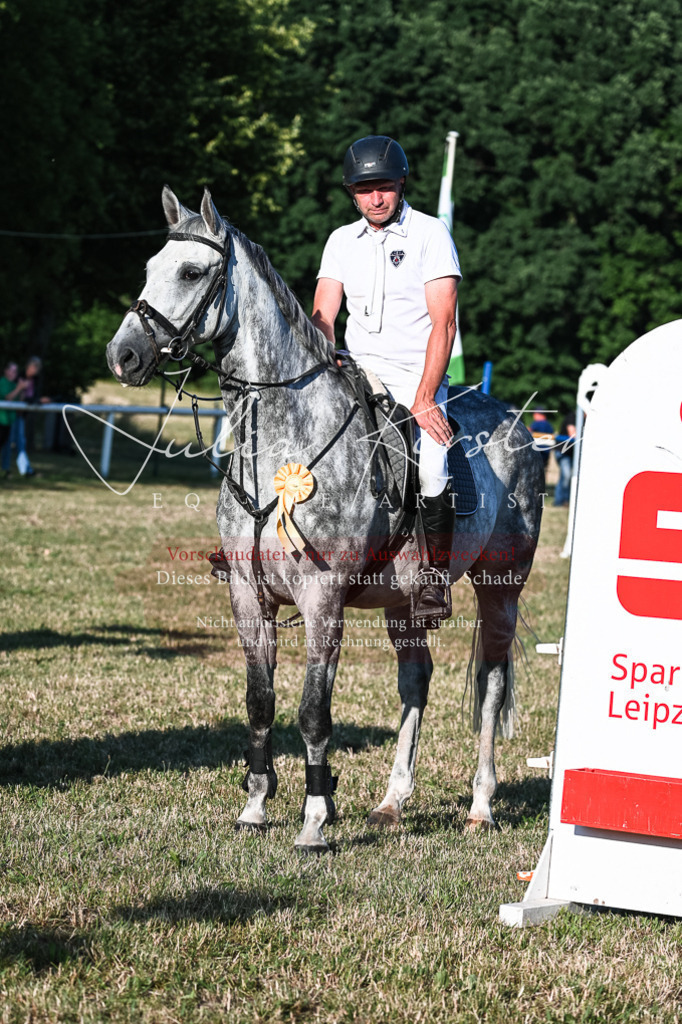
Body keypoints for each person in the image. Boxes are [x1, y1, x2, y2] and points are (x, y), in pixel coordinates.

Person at [312, 135, 461, 620]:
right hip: (355, 369)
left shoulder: (430, 233)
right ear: (351, 192)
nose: (375, 199)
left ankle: (435, 580)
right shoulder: (340, 240)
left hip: (416, 373)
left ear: (401, 183)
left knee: (433, 463)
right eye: (363, 189)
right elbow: (324, 315)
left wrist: (424, 396)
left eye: (383, 188)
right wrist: (323, 355)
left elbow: (445, 323)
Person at [2, 356, 45, 477]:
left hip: (19, 415)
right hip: (9, 416)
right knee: (8, 442)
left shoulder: (35, 380)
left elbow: (30, 396)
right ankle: (8, 469)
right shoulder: (16, 378)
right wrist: (21, 389)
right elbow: (10, 397)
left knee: (20, 442)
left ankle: (24, 470)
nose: (35, 370)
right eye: (34, 367)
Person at [0, 361, 26, 477]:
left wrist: (22, 389)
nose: (13, 373)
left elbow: (19, 402)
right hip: (1, 420)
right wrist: (19, 388)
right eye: (11, 370)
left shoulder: (13, 385)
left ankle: (5, 470)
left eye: (15, 371)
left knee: (6, 447)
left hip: (9, 421)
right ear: (5, 371)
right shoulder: (3, 382)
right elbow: (7, 397)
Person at [553, 411, 576, 507]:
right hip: (563, 451)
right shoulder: (573, 416)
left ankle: (559, 501)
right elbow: (573, 434)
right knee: (567, 475)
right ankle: (563, 500)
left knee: (564, 477)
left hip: (571, 452)